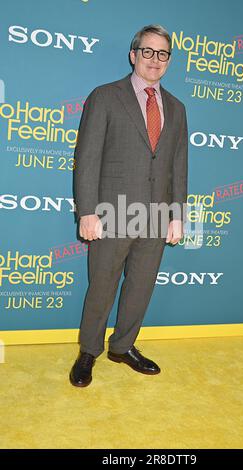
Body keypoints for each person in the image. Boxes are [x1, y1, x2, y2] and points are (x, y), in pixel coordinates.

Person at [70, 24, 188, 387]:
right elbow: (86, 158)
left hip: (155, 216)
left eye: (163, 53)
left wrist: (177, 216)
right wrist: (87, 211)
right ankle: (89, 351)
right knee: (102, 286)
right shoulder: (105, 96)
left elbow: (178, 165)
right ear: (133, 55)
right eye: (148, 51)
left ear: (169, 60)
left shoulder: (178, 109)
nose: (155, 60)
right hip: (111, 213)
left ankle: (123, 346)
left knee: (140, 287)